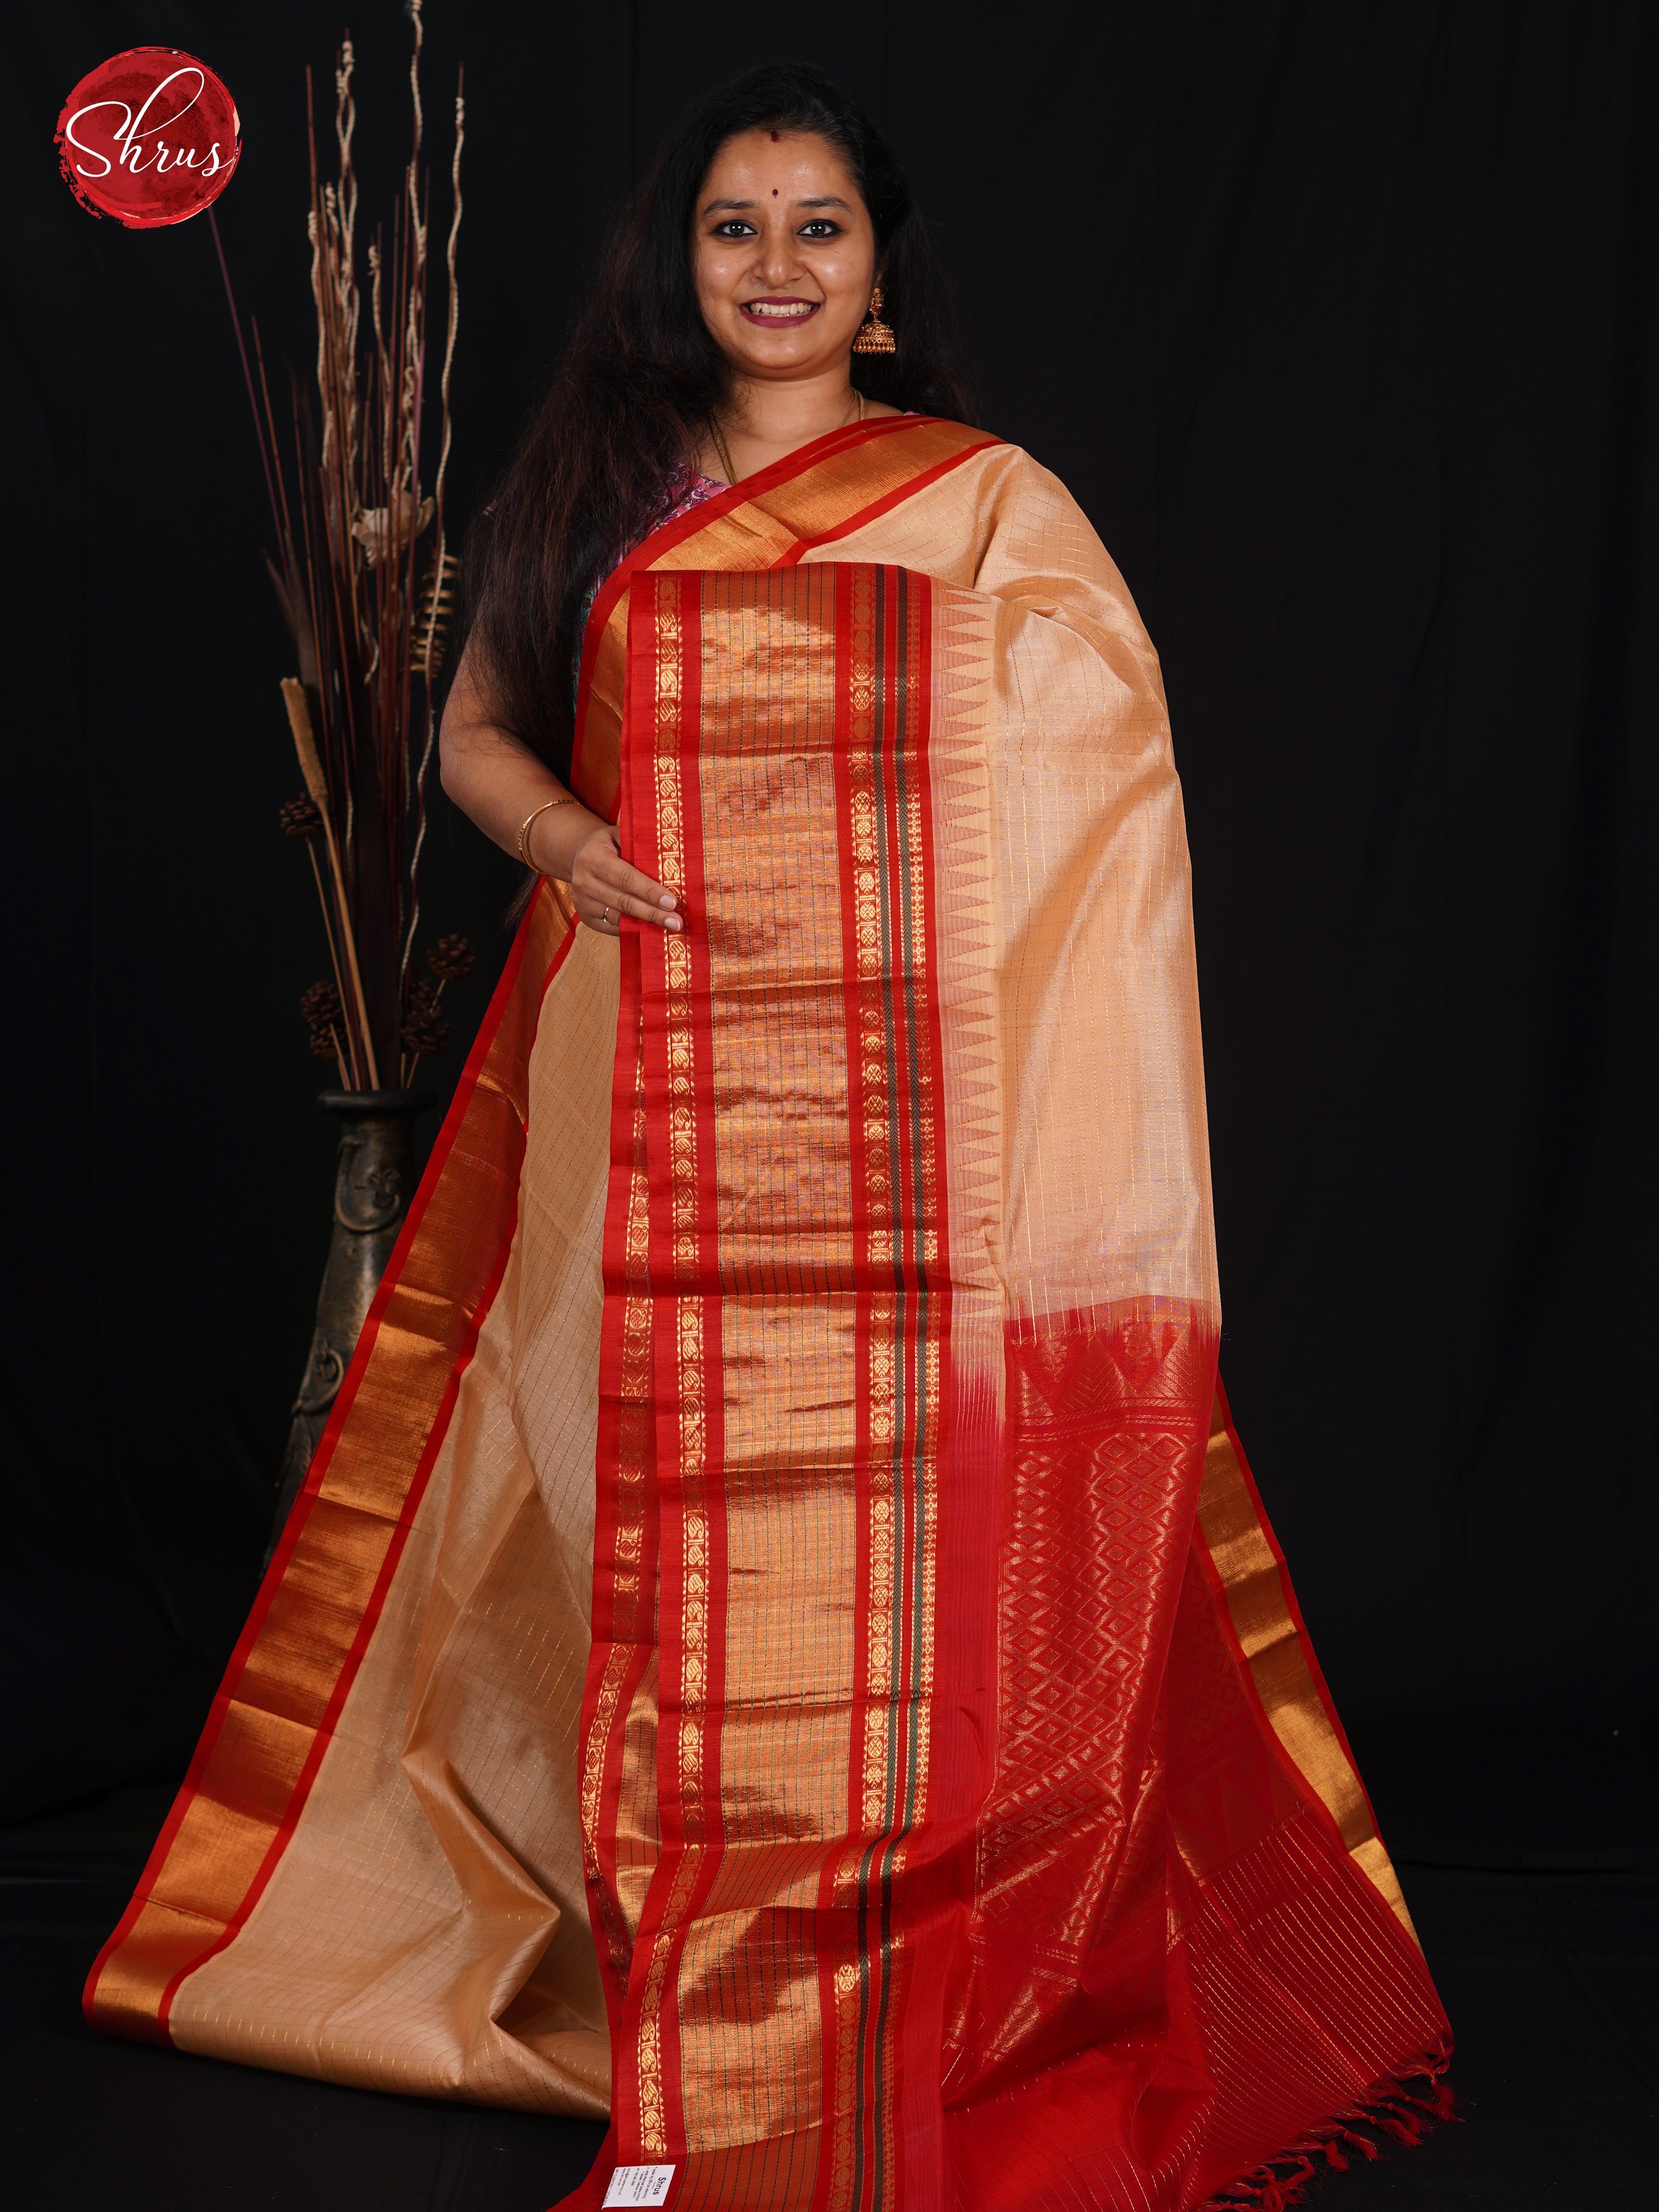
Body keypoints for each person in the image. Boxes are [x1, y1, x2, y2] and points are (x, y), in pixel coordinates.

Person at [87, 63, 1451, 2212]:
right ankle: (671, 1978)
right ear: (680, 267)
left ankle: (881, 1984)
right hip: (625, 1077)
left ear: (880, 284)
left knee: (884, 1533)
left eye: (821, 227)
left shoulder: (989, 508)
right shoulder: (602, 484)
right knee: (614, 1500)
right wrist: (583, 848)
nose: (780, 265)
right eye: (737, 226)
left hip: (910, 1123)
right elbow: (471, 733)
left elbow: (1093, 803)